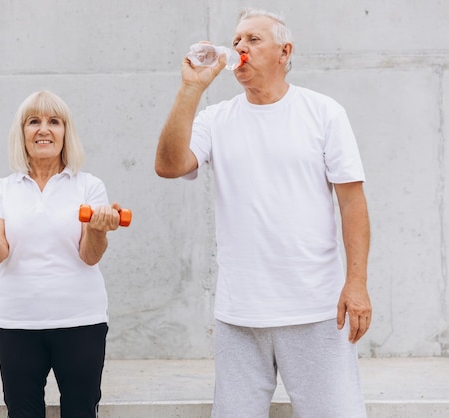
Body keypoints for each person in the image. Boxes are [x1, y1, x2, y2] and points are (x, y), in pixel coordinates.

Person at [155, 7, 371, 418]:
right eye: (236, 41)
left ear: (284, 51)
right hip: (240, 315)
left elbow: (352, 202)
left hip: (315, 310)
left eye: (253, 40)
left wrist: (356, 284)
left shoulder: (323, 112)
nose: (240, 48)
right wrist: (190, 89)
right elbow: (169, 165)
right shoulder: (216, 119)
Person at [0, 90, 125, 418]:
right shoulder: (3, 189)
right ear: (22, 134)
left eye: (53, 122)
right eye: (34, 122)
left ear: (65, 133)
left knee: (81, 412)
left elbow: (89, 255)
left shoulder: (89, 186)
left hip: (80, 320)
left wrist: (99, 228)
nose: (43, 129)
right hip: (17, 321)